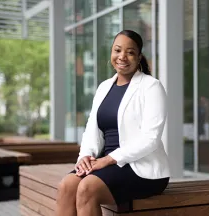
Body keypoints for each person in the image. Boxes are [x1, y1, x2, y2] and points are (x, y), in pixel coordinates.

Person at [56, 30, 170, 216]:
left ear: (139, 57)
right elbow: (91, 130)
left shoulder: (151, 86)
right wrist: (85, 156)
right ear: (111, 52)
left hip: (141, 168)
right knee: (66, 186)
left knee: (87, 188)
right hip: (105, 164)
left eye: (130, 52)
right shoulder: (104, 87)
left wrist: (107, 160)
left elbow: (151, 139)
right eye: (117, 50)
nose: (122, 56)